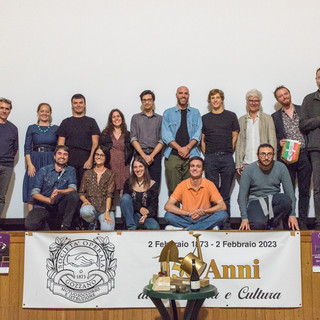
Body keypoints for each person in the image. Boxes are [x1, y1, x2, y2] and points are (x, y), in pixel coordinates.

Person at [272, 86, 312, 230]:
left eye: (286, 93)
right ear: (277, 100)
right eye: (281, 96)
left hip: (304, 154)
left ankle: (302, 222)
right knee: (289, 191)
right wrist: (279, 143)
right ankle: (289, 222)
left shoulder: (303, 110)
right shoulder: (275, 116)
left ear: (290, 93)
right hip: (286, 156)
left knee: (304, 190)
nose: (284, 97)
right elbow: (273, 138)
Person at [238, 144, 299, 231]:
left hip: (274, 199)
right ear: (257, 155)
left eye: (269, 154)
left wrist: (292, 215)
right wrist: (244, 218)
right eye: (263, 154)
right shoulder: (249, 170)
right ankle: (264, 222)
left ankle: (273, 223)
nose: (266, 157)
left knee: (286, 200)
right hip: (256, 201)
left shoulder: (281, 167)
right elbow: (242, 196)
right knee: (258, 225)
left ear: (273, 155)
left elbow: (290, 192)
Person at [201, 89, 239, 228]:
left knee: (225, 193)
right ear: (209, 101)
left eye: (218, 97)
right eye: (212, 98)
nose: (215, 100)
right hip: (210, 158)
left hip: (227, 157)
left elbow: (235, 135)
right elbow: (202, 139)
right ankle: (214, 223)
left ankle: (226, 223)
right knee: (212, 193)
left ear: (222, 99)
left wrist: (229, 149)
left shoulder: (231, 116)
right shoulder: (205, 118)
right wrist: (207, 154)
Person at [164, 157, 228, 230]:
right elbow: (168, 206)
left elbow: (222, 206)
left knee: (223, 215)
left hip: (204, 217)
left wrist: (204, 211)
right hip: (187, 217)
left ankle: (186, 229)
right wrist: (189, 213)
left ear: (202, 171)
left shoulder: (209, 184)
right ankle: (206, 227)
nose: (194, 169)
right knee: (168, 215)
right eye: (192, 166)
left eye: (198, 166)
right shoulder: (182, 185)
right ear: (189, 169)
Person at [25, 145, 79, 231]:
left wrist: (60, 191)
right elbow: (34, 193)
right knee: (30, 223)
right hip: (44, 206)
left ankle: (65, 227)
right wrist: (49, 200)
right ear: (54, 156)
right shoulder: (44, 170)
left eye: (65, 154)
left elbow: (73, 188)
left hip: (60, 207)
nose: (62, 156)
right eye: (59, 153)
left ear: (68, 157)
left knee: (74, 195)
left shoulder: (71, 170)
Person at [162, 86, 202, 196]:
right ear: (176, 95)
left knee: (192, 191)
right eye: (180, 93)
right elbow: (166, 135)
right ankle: (175, 213)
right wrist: (180, 149)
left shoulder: (195, 113)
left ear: (188, 96)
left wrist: (187, 148)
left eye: (186, 93)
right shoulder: (168, 113)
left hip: (192, 156)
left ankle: (189, 213)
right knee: (174, 192)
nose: (183, 95)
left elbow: (198, 133)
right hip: (173, 156)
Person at [57, 94, 100, 188]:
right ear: (72, 105)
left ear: (85, 105)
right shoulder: (65, 122)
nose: (78, 105)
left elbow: (95, 143)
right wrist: (63, 160)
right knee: (69, 188)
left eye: (81, 103)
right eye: (75, 103)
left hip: (86, 160)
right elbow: (60, 144)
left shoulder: (91, 121)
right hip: (69, 160)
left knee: (85, 189)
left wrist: (91, 159)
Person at [23, 103, 59, 210]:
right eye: (42, 111)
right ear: (38, 112)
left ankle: (48, 220)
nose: (44, 113)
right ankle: (30, 220)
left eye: (47, 111)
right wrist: (29, 164)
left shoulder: (56, 128)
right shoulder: (31, 128)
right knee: (32, 186)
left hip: (50, 160)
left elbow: (58, 148)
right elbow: (27, 147)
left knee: (49, 187)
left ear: (50, 113)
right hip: (35, 160)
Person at [236, 89, 277, 175]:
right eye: (251, 100)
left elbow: (272, 140)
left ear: (260, 102)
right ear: (247, 102)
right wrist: (238, 164)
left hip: (264, 162)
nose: (253, 103)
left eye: (256, 101)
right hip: (246, 162)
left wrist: (273, 161)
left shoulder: (267, 118)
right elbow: (239, 143)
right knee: (247, 188)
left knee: (265, 187)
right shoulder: (241, 120)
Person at [300, 68, 320, 230]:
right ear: (316, 79)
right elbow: (303, 124)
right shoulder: (308, 99)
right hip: (316, 149)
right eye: (319, 77)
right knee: (318, 188)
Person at [130, 90, 163, 189]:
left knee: (154, 186)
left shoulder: (160, 119)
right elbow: (133, 138)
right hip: (140, 154)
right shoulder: (135, 118)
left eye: (149, 100)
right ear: (141, 102)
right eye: (144, 100)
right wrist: (144, 156)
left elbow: (162, 140)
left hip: (155, 155)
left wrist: (151, 156)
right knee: (138, 185)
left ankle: (153, 205)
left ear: (153, 101)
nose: (147, 102)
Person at [79, 146, 115, 230]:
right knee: (85, 211)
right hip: (91, 206)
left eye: (102, 155)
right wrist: (85, 200)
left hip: (105, 207)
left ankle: (100, 222)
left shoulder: (110, 173)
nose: (99, 157)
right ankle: (93, 221)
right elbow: (81, 192)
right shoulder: (87, 173)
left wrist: (107, 212)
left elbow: (110, 194)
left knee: (108, 230)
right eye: (97, 154)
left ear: (106, 157)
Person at [120, 156, 160, 230]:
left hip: (145, 216)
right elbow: (126, 203)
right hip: (131, 216)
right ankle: (131, 228)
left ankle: (140, 226)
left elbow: (154, 205)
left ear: (145, 167)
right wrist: (140, 208)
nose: (138, 169)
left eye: (140, 166)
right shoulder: (128, 182)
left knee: (155, 227)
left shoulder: (153, 184)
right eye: (135, 167)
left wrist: (146, 215)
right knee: (125, 197)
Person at [100, 109, 133, 197]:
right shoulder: (105, 134)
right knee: (108, 192)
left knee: (124, 193)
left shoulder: (128, 134)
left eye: (118, 116)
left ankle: (124, 211)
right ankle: (109, 210)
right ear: (111, 120)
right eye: (113, 117)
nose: (116, 118)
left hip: (123, 166)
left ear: (122, 118)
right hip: (109, 165)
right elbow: (100, 150)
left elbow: (132, 150)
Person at [0, 98, 18, 225]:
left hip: (7, 166)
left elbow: (15, 148)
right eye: (2, 108)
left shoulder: (13, 128)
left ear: (10, 111)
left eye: (7, 108)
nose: (4, 111)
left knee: (1, 198)